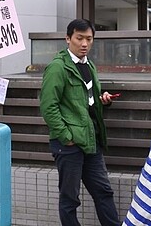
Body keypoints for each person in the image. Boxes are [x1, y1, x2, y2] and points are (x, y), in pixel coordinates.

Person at [39, 19, 120, 226]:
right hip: (70, 145)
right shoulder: (58, 68)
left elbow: (86, 101)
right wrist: (66, 137)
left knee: (103, 192)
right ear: (68, 39)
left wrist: (103, 100)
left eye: (89, 39)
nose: (84, 43)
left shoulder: (89, 65)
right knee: (70, 199)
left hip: (91, 140)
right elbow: (48, 106)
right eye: (79, 38)